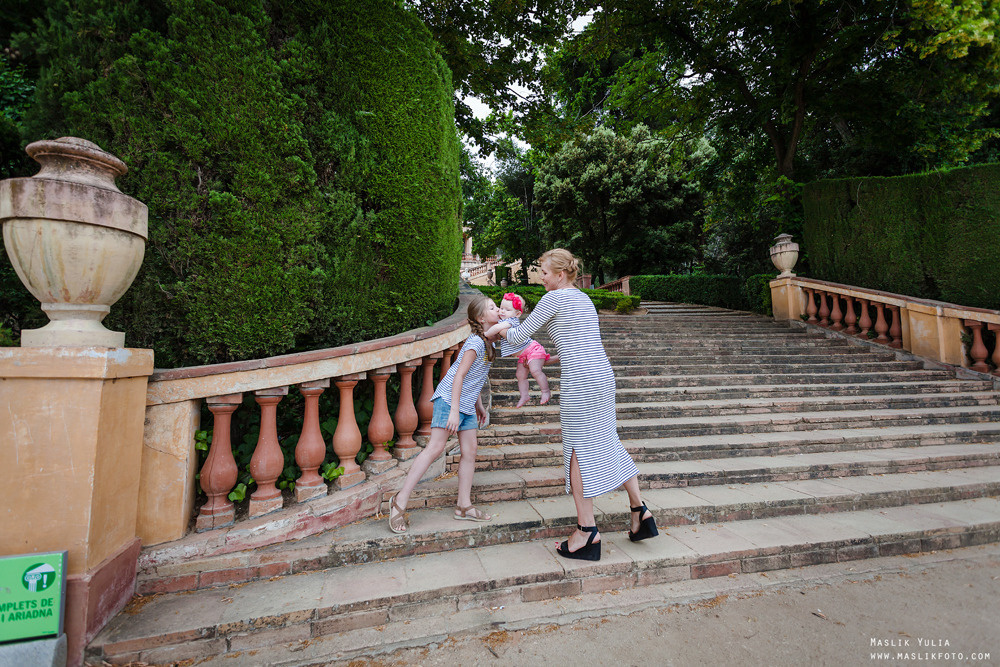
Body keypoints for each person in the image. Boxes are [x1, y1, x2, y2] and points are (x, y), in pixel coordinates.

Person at [486, 249, 657, 560]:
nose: (541, 277)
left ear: (561, 274)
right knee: (609, 440)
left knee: (577, 448)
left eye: (545, 272)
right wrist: (547, 358)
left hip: (581, 382)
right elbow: (577, 344)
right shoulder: (583, 298)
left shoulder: (554, 298)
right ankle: (639, 510)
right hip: (602, 376)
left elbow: (519, 335)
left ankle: (587, 531)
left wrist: (496, 327)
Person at [388, 294, 501, 533]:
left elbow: (474, 377)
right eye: (493, 307)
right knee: (435, 448)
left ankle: (463, 505)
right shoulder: (475, 343)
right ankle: (399, 502)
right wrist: (453, 412)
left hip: (467, 403)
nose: (498, 309)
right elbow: (458, 375)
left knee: (470, 452)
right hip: (449, 401)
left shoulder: (489, 342)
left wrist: (479, 404)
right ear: (481, 318)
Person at [498, 292, 559, 408]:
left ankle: (545, 391)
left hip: (532, 350)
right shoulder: (503, 321)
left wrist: (487, 332)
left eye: (507, 309)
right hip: (524, 355)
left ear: (517, 314)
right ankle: (524, 395)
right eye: (501, 308)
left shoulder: (510, 322)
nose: (502, 311)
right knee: (520, 375)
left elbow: (496, 329)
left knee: (535, 371)